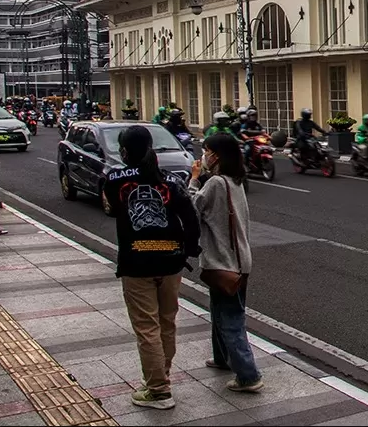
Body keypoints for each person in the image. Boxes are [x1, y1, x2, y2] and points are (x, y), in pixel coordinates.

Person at [104, 125, 201, 411]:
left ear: (124, 151)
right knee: (167, 323)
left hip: (137, 264)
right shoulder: (171, 181)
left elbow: (113, 206)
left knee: (147, 328)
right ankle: (162, 377)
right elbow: (190, 217)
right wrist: (190, 248)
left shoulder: (113, 179)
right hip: (171, 261)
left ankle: (158, 390)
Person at [189, 133, 262, 393]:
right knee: (220, 311)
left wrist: (194, 179)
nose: (202, 156)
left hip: (223, 262)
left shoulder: (216, 183)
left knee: (230, 318)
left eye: (205, 151)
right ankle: (222, 358)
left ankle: (248, 375)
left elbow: (192, 209)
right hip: (239, 260)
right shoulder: (235, 180)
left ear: (216, 155)